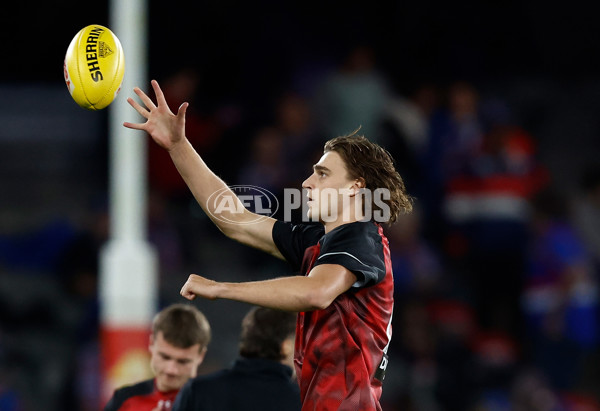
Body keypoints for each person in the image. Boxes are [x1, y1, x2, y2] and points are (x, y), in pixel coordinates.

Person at [124, 80, 413, 410]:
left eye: (322, 174)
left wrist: (222, 288)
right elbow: (234, 219)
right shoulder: (320, 243)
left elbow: (315, 293)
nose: (307, 183)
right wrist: (178, 146)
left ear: (354, 187)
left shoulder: (362, 236)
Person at [173, 306, 300, 410]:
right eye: (297, 343)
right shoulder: (302, 402)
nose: (301, 352)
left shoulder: (198, 391)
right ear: (286, 346)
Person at [103, 304, 211, 411]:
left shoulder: (216, 404)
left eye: (182, 361)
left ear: (200, 356)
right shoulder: (124, 399)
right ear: (151, 344)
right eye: (165, 357)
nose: (171, 370)